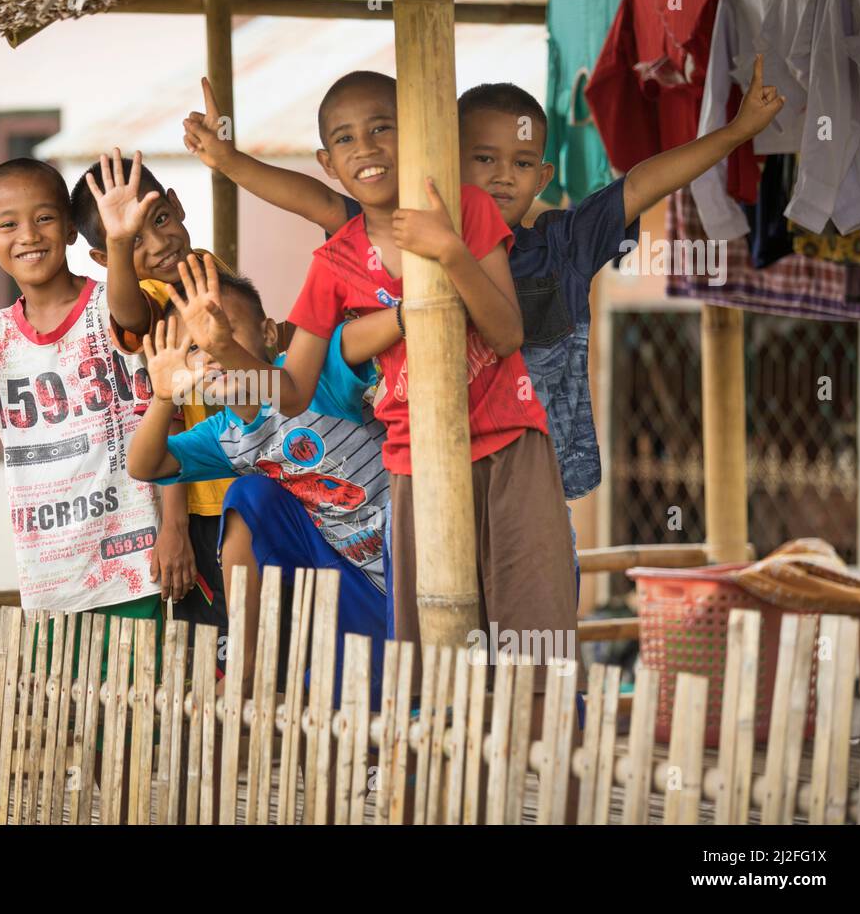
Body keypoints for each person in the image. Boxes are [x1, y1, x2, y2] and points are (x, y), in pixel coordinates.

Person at [184, 58, 784, 604]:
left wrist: (735, 133)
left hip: (529, 466)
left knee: (530, 626)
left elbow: (644, 183)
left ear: (543, 175)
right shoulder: (395, 235)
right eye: (483, 159)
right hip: (429, 468)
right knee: (441, 625)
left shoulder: (561, 245)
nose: (501, 178)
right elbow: (318, 200)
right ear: (443, 155)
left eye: (521, 164)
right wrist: (228, 161)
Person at [183, 71, 576, 695]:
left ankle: (542, 764)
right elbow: (292, 393)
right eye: (345, 139)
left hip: (508, 445)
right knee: (429, 644)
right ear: (329, 163)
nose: (365, 147)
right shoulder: (335, 262)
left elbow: (505, 334)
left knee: (533, 623)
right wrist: (227, 348)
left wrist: (449, 251)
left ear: (415, 134)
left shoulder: (464, 209)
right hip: (413, 465)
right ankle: (438, 770)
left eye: (381, 128)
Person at [0, 157, 167, 661]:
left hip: (136, 557)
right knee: (68, 716)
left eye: (43, 218)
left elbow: (133, 321)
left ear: (68, 230)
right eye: (8, 224)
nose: (28, 235)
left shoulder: (111, 304)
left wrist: (121, 242)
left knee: (137, 714)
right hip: (50, 572)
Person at [128, 253, 391, 705]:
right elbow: (145, 466)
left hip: (408, 552)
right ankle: (247, 667)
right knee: (249, 493)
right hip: (351, 573)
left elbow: (382, 328)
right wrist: (164, 398)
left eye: (222, 330)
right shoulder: (224, 435)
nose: (210, 351)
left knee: (416, 697)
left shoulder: (311, 375)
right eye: (194, 347)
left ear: (268, 332)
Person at [71, 152, 237, 667]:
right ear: (105, 259)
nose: (160, 243)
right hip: (199, 506)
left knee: (262, 637)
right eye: (131, 240)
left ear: (177, 205)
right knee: (214, 655)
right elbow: (129, 314)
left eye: (159, 220)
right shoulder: (146, 293)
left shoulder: (209, 266)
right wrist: (175, 527)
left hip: (249, 479)